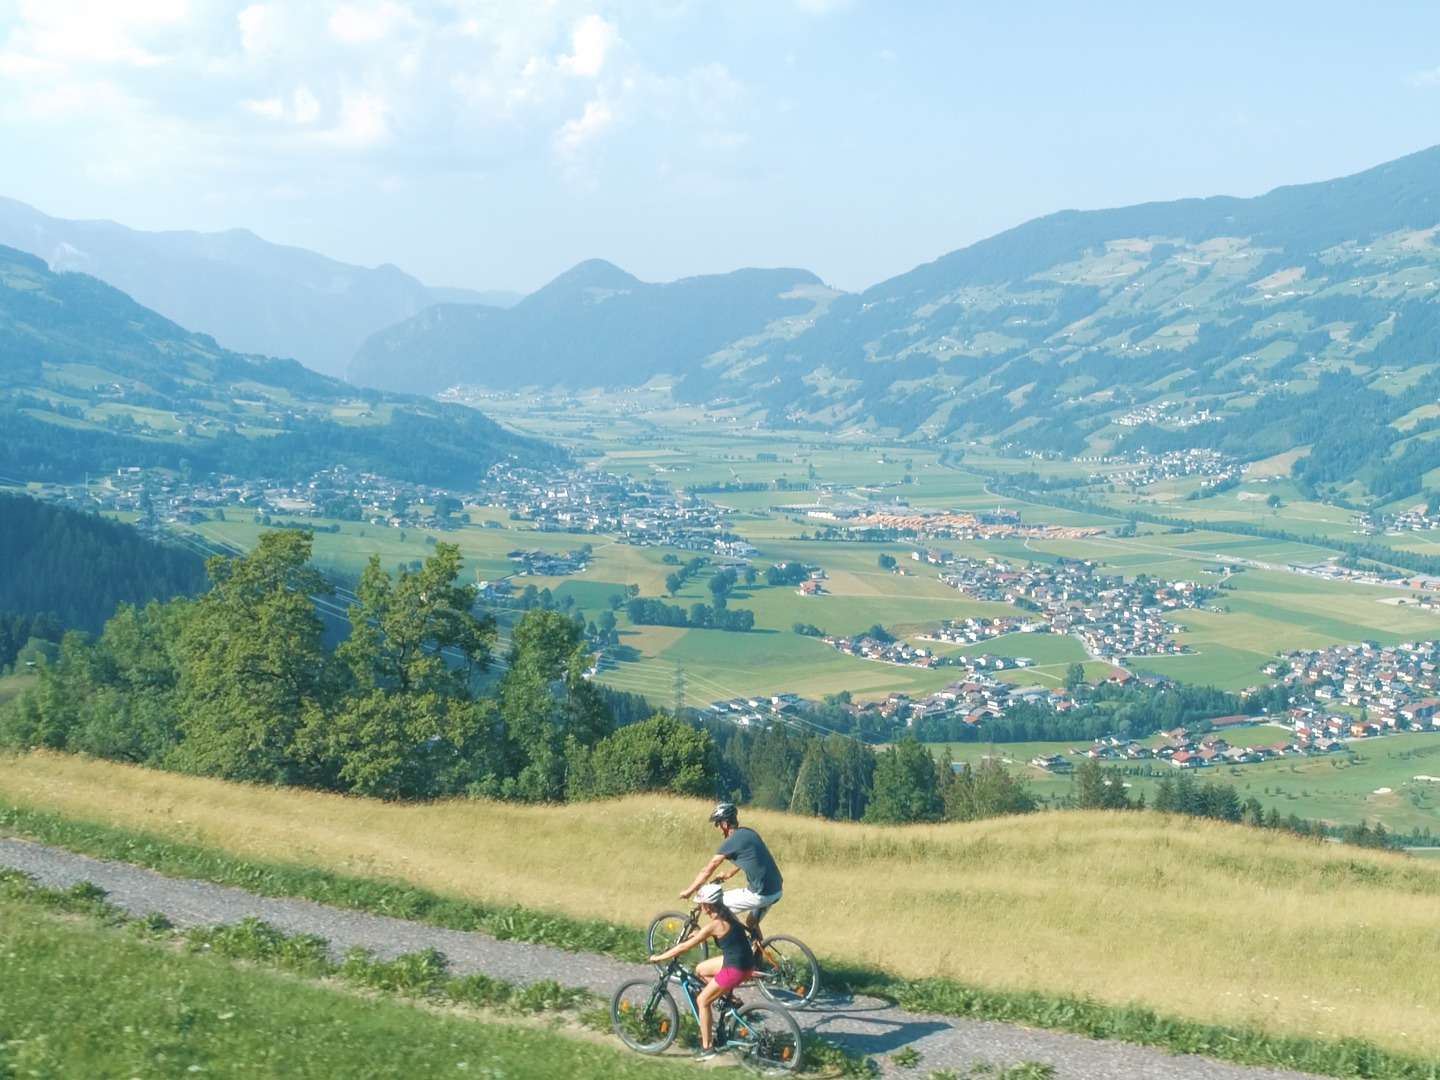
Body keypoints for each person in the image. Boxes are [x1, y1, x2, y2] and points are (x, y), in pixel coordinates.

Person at [647, 882, 754, 1060]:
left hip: (735, 969)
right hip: (744, 962)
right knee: (700, 969)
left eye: (702, 903)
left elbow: (685, 947)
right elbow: (707, 933)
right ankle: (731, 1001)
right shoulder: (728, 915)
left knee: (702, 1000)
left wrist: (659, 957)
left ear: (708, 905)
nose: (700, 907)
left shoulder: (716, 925)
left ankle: (707, 1049)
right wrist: (698, 934)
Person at [680, 802, 783, 941]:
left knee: (717, 904)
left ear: (724, 824)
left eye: (717, 824)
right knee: (751, 923)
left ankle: (736, 944)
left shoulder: (731, 842)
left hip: (761, 893)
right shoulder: (749, 833)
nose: (718, 829)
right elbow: (750, 857)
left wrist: (689, 891)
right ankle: (758, 957)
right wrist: (729, 873)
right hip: (776, 889)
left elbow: (708, 869)